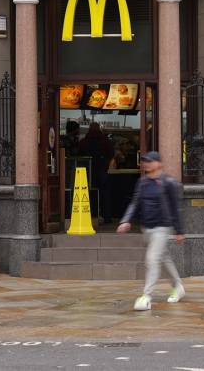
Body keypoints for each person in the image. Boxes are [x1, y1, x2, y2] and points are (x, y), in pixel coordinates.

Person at [117, 151, 185, 310]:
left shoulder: (168, 183)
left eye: (150, 161)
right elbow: (135, 203)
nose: (146, 164)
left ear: (159, 164)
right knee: (163, 257)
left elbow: (175, 209)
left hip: (162, 227)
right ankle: (178, 286)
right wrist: (126, 220)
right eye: (144, 161)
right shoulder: (142, 182)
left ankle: (146, 296)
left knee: (152, 258)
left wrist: (179, 230)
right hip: (147, 228)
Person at [78, 122, 115, 223]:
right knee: (105, 194)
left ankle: (91, 216)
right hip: (102, 170)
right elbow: (111, 153)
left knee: (89, 193)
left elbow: (78, 154)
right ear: (99, 129)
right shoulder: (105, 140)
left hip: (87, 171)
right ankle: (106, 217)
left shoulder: (84, 141)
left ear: (89, 129)